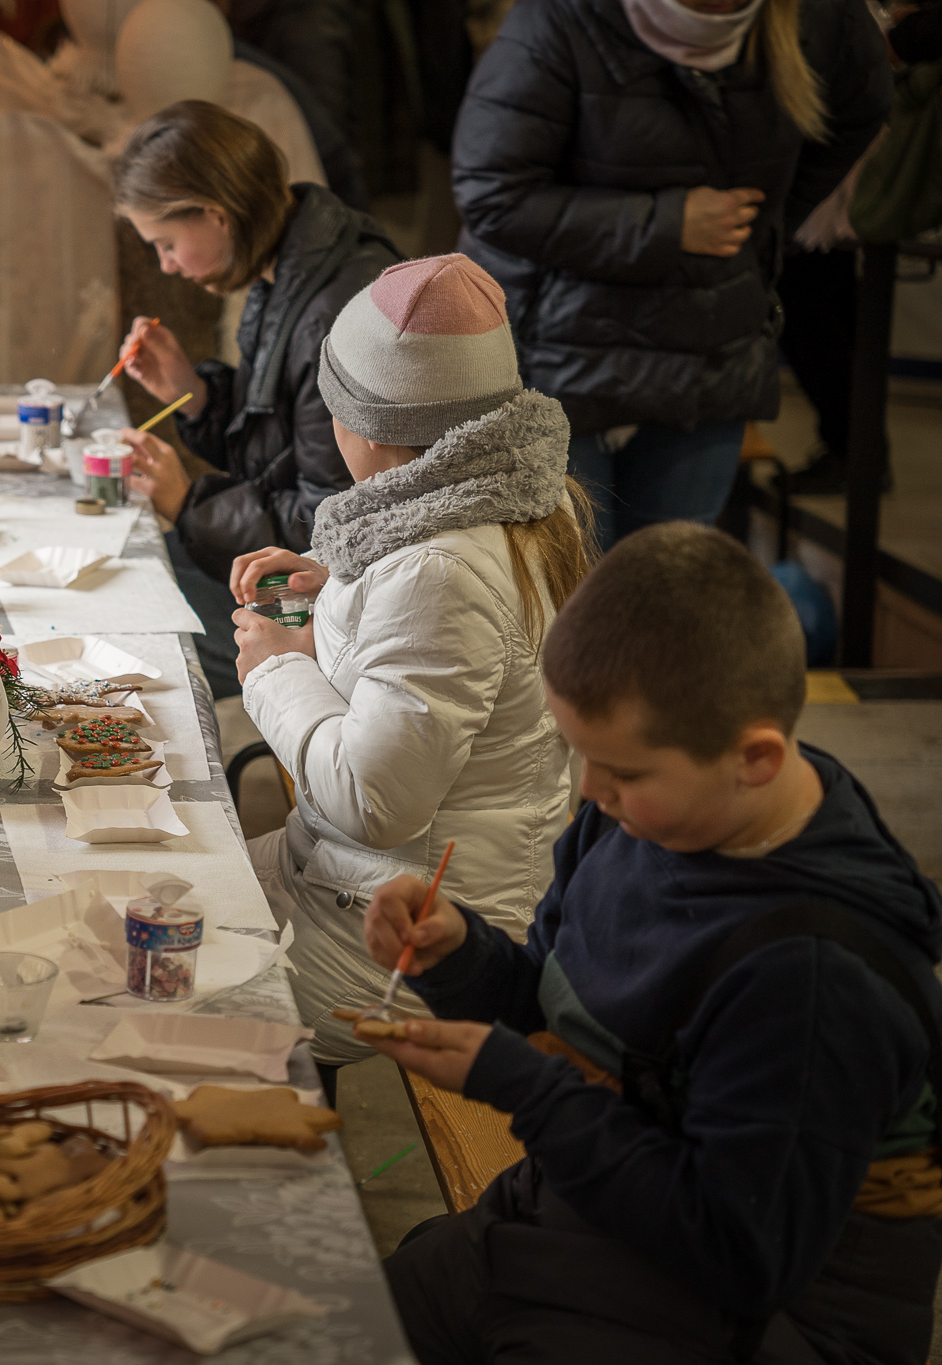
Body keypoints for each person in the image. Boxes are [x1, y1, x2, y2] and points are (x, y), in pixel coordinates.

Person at [364, 523, 942, 1364]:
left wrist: (526, 1087)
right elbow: (564, 1010)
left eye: (622, 771)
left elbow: (738, 1254)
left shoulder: (811, 978)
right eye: (580, 755)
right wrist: (460, 957)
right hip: (604, 1205)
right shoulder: (646, 815)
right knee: (344, 1317)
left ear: (755, 758)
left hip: (761, 1311)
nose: (589, 791)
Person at [228, 255, 592, 1088]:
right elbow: (417, 631)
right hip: (345, 884)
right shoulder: (496, 494)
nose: (329, 433)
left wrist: (277, 669)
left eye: (333, 416)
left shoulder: (442, 570)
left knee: (160, 985)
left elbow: (375, 799)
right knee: (162, 891)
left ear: (375, 429)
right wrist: (335, 587)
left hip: (408, 939)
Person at [452, 0, 892, 546]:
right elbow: (491, 194)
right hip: (558, 350)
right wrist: (667, 226)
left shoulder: (820, 17)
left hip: (709, 344)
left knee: (668, 591)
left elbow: (863, 102)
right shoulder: (559, 18)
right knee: (572, 595)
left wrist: (757, 228)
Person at [110, 100, 399, 699]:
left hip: (343, 604)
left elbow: (329, 527)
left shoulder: (335, 309)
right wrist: (192, 396)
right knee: (123, 578)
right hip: (301, 569)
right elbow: (279, 448)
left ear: (216, 215)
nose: (166, 266)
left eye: (166, 243)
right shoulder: (287, 264)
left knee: (131, 648)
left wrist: (189, 503)